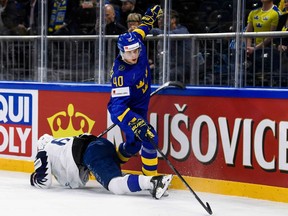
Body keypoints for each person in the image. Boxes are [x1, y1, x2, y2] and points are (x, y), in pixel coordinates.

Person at [107, 5, 162, 176]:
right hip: (126, 110)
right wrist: (134, 122)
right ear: (122, 52)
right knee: (150, 138)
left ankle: (111, 164)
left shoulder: (137, 43)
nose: (134, 55)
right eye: (130, 53)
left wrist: (148, 18)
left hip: (140, 107)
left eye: (136, 50)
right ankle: (151, 179)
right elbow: (117, 108)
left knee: (134, 145)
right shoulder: (121, 76)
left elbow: (142, 29)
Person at [30, 133, 172, 199]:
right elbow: (79, 181)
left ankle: (153, 181)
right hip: (101, 144)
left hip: (91, 154)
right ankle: (131, 145)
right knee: (117, 173)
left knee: (115, 185)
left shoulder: (44, 151)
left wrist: (35, 177)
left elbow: (44, 182)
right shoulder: (61, 143)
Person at [150, 9, 192, 84]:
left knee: (171, 74)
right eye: (158, 18)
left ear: (173, 20)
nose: (160, 20)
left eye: (162, 17)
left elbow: (172, 34)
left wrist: (150, 29)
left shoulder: (182, 30)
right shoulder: (162, 35)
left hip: (183, 66)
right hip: (168, 66)